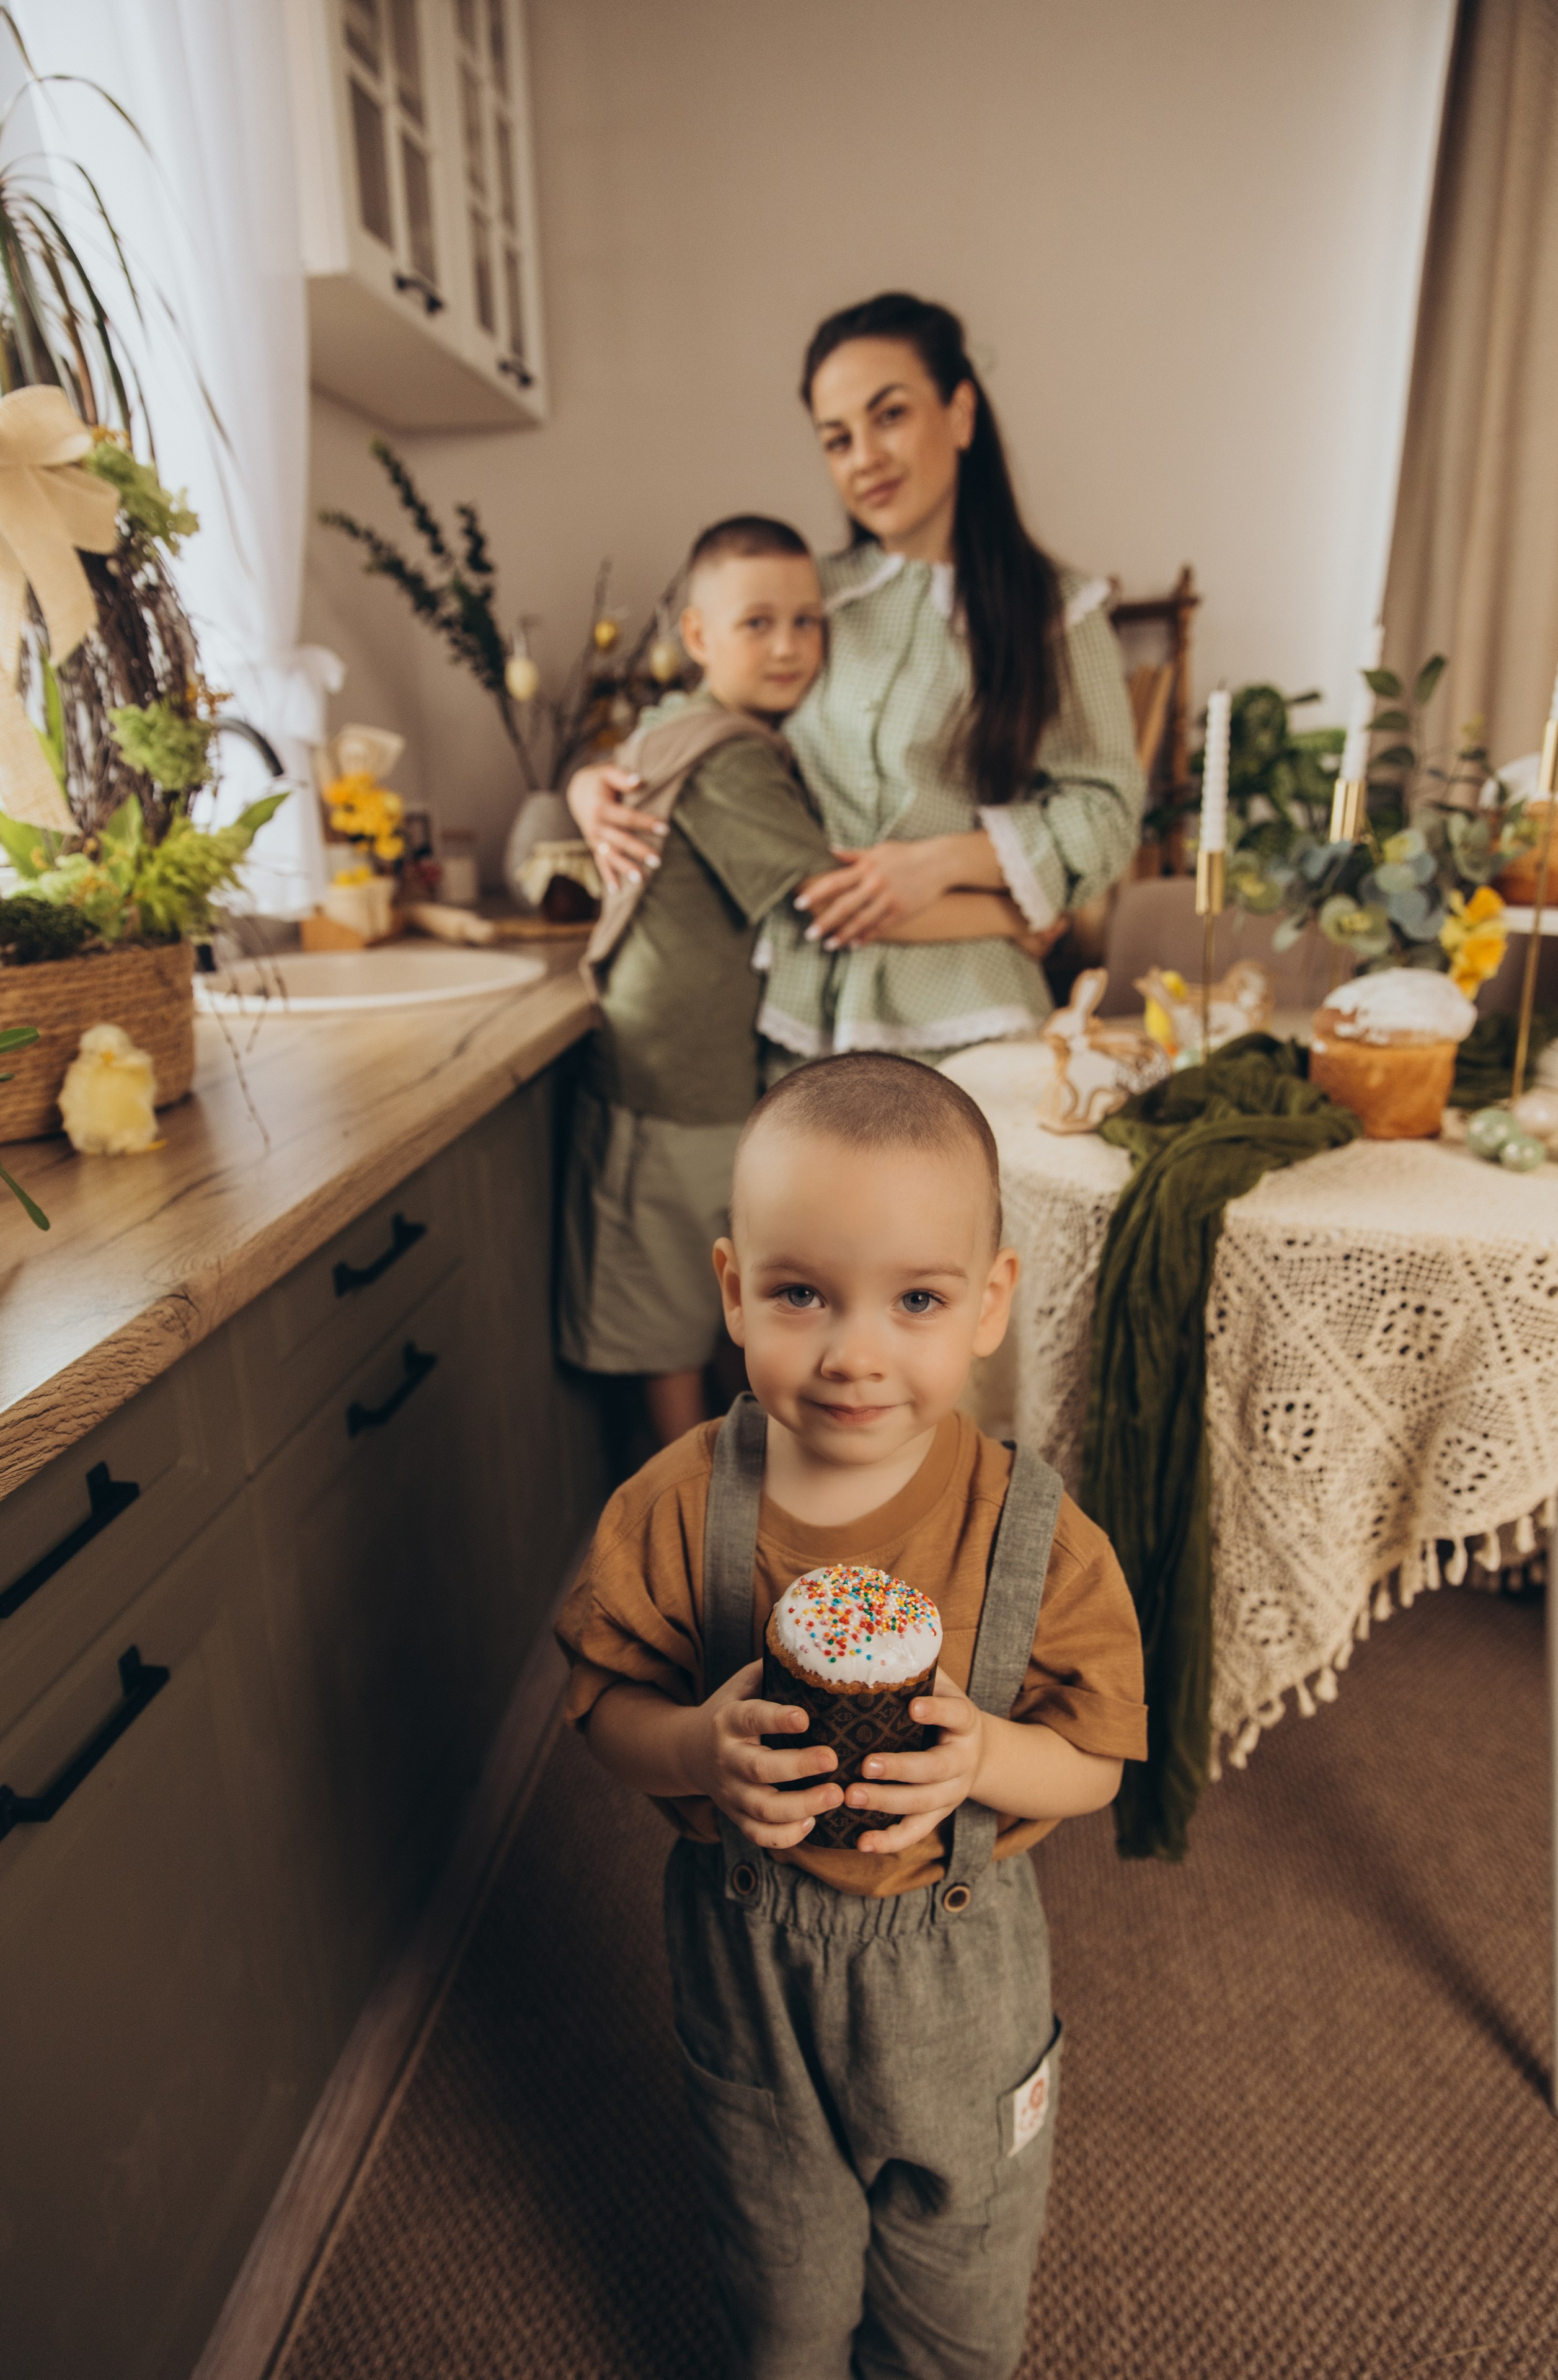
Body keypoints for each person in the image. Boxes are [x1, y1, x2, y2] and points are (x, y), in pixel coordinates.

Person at [557, 1053, 1147, 2378]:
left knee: (962, 2288)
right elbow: (602, 1709)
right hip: (749, 1968)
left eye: (917, 1298)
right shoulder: (673, 1505)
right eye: (801, 1294)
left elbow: (1099, 1763)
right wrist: (693, 1750)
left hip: (960, 1967)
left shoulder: (1033, 1537)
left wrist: (989, 1757)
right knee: (776, 2287)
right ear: (731, 1290)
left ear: (989, 1303)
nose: (853, 1354)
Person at [560, 514, 1045, 1447]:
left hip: (698, 1065)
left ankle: (727, 1490)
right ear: (698, 638)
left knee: (718, 1297)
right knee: (670, 1310)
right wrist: (1012, 915)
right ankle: (696, 1508)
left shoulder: (703, 732)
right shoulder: (730, 757)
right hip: (675, 1074)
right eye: (757, 625)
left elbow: (622, 762)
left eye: (807, 622)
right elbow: (835, 901)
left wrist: (590, 781)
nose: (788, 647)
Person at [569, 292, 1144, 1067]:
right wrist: (592, 782)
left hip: (975, 1012)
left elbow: (1105, 812)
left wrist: (942, 862)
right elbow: (705, 715)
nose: (864, 457)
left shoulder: (1061, 615)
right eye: (836, 439)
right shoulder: (808, 601)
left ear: (962, 413)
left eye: (890, 416)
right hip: (800, 1011)